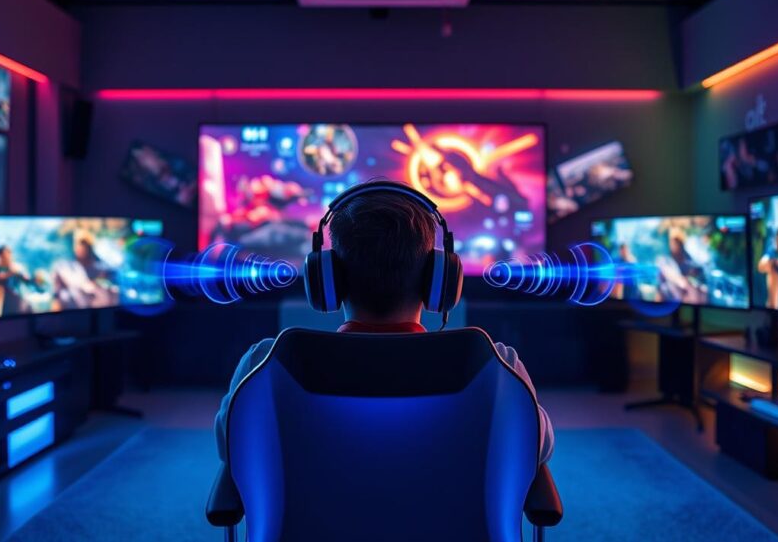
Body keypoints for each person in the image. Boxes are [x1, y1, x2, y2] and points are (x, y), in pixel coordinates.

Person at [214, 184, 554, 466]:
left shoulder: (262, 367)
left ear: (327, 278)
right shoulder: (498, 368)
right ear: (439, 279)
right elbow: (537, 449)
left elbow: (233, 449)